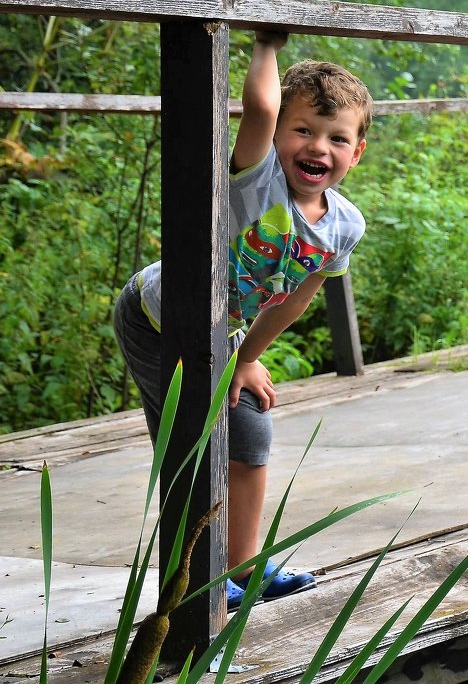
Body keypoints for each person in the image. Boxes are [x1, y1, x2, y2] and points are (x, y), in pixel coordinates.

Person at [113, 30, 370, 610]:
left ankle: (242, 568)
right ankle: (190, 586)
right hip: (158, 317)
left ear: (356, 154)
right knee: (192, 445)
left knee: (250, 432)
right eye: (302, 130)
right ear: (279, 135)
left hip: (219, 334)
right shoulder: (256, 178)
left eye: (336, 138)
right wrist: (266, 48)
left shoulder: (342, 226)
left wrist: (245, 358)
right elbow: (258, 105)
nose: (318, 147)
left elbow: (298, 297)